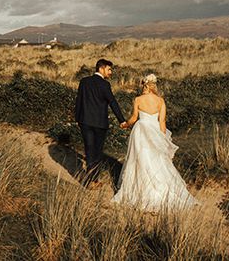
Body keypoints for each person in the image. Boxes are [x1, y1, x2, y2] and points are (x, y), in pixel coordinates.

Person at [113, 73, 197, 211]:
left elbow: (134, 118)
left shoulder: (138, 99)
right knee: (157, 160)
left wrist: (125, 125)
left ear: (145, 85)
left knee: (140, 159)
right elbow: (162, 122)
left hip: (141, 131)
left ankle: (140, 192)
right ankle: (162, 192)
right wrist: (163, 139)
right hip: (155, 131)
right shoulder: (160, 101)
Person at [75, 58, 126, 187]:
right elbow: (112, 102)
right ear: (101, 68)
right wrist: (122, 120)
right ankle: (93, 180)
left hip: (85, 122)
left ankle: (91, 180)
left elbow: (78, 101)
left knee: (89, 150)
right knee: (97, 153)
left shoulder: (84, 82)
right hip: (99, 124)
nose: (110, 72)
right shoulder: (104, 85)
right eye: (109, 69)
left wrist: (78, 119)